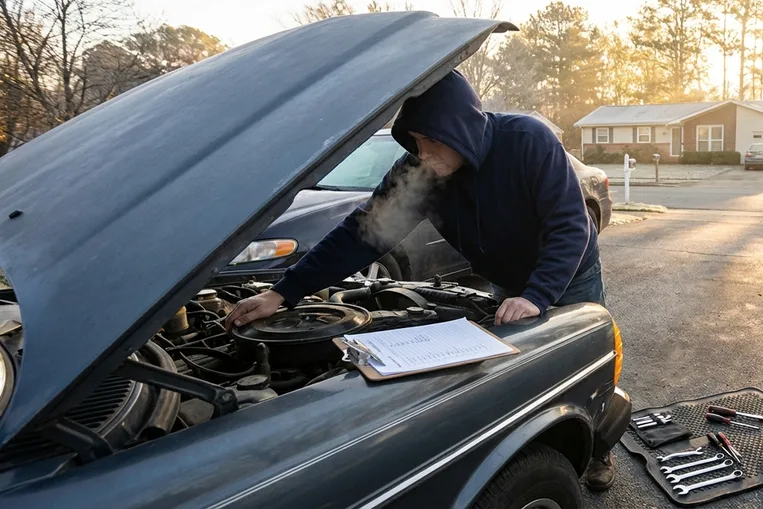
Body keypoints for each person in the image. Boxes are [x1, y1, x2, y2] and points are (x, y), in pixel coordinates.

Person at [223, 70, 615, 490]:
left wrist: (538, 295)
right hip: (506, 281)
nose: (422, 153)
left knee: (585, 360)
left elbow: (570, 225)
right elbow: (362, 234)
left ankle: (600, 445)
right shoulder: (421, 173)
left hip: (567, 273)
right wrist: (284, 291)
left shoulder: (528, 140)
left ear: (460, 127)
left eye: (431, 140)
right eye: (415, 142)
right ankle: (531, 444)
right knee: (522, 368)